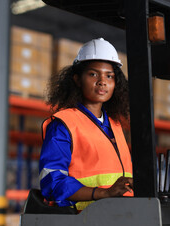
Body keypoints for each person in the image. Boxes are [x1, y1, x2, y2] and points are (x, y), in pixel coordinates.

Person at [39, 38, 133, 211]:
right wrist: (103, 193)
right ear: (77, 79)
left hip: (121, 219)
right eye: (93, 74)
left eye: (109, 76)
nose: (102, 81)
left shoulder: (115, 125)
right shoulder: (64, 124)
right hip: (82, 222)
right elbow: (52, 182)